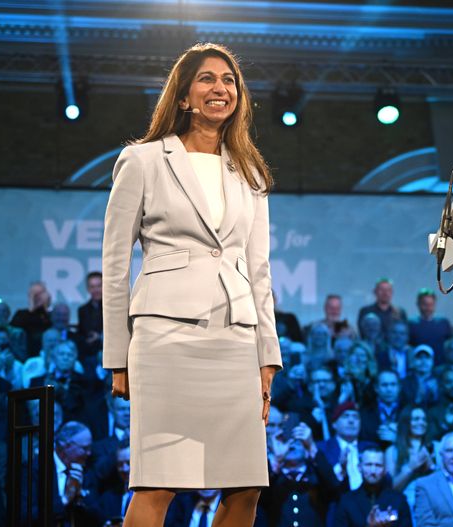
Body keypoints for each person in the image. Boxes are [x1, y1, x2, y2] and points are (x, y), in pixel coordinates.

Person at [102, 42, 281, 527]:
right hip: (165, 341)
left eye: (229, 80)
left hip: (236, 341)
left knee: (246, 488)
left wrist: (268, 355)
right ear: (182, 96)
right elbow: (114, 265)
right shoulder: (142, 160)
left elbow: (258, 269)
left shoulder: (250, 171)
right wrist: (117, 357)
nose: (220, 88)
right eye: (207, 78)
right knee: (158, 484)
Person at [335, 445, 412, 527]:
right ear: (359, 467)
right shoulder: (347, 501)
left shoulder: (398, 500)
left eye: (378, 465)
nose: (373, 471)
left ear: (385, 470)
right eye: (368, 465)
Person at [407, 289, 453, 361]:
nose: (428, 308)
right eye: (425, 304)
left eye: (431, 304)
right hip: (419, 364)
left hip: (441, 363)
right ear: (418, 304)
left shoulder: (443, 323)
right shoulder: (411, 324)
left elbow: (451, 344)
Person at [77, 271, 103, 359]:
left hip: (108, 352)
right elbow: (81, 333)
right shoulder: (82, 310)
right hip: (88, 354)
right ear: (88, 289)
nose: (96, 290)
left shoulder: (112, 308)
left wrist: (99, 337)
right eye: (92, 287)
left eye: (99, 286)